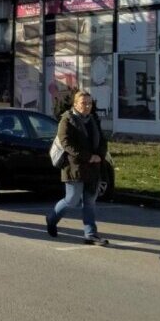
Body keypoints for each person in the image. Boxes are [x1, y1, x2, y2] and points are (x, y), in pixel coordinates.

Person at [45, 90, 110, 246]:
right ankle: (51, 218)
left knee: (90, 202)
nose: (87, 106)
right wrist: (88, 156)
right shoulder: (67, 120)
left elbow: (102, 140)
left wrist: (100, 155)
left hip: (93, 168)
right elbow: (66, 143)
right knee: (72, 200)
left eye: (89, 103)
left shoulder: (93, 119)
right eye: (83, 103)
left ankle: (91, 234)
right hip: (74, 167)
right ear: (75, 104)